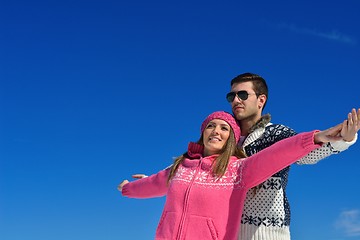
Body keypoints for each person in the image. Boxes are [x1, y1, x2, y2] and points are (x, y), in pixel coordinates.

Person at [131, 73, 359, 240]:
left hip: (267, 232)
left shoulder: (276, 133)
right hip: (228, 231)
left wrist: (341, 140)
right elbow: (193, 170)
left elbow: (303, 153)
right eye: (232, 95)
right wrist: (152, 181)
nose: (235, 100)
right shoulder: (225, 138)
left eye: (242, 94)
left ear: (261, 100)